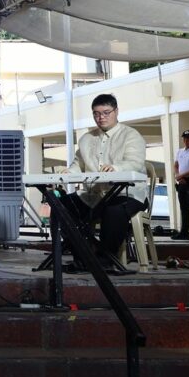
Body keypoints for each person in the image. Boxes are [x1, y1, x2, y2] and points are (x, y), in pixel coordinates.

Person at [61, 94, 147, 266]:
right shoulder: (86, 139)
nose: (101, 117)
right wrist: (69, 171)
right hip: (94, 196)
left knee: (113, 211)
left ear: (116, 111)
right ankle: (82, 256)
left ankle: (105, 260)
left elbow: (135, 162)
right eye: (96, 113)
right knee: (62, 205)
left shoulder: (131, 135)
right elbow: (78, 164)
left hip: (128, 194)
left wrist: (116, 167)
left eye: (106, 112)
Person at [173, 129, 189, 240]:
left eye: (188, 138)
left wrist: (182, 175)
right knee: (183, 207)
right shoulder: (180, 151)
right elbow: (176, 165)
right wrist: (178, 176)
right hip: (182, 182)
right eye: (184, 138)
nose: (186, 140)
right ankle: (184, 233)